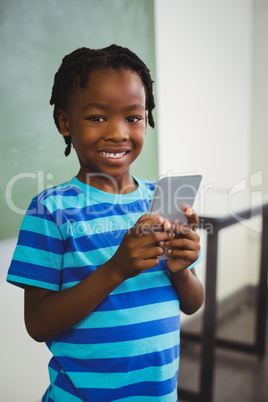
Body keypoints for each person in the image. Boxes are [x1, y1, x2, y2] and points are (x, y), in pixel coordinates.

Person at [7, 44, 204, 401]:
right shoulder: (50, 211)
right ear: (65, 122)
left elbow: (192, 303)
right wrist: (116, 268)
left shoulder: (159, 202)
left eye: (133, 117)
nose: (118, 133)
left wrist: (181, 270)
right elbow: (38, 325)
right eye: (97, 117)